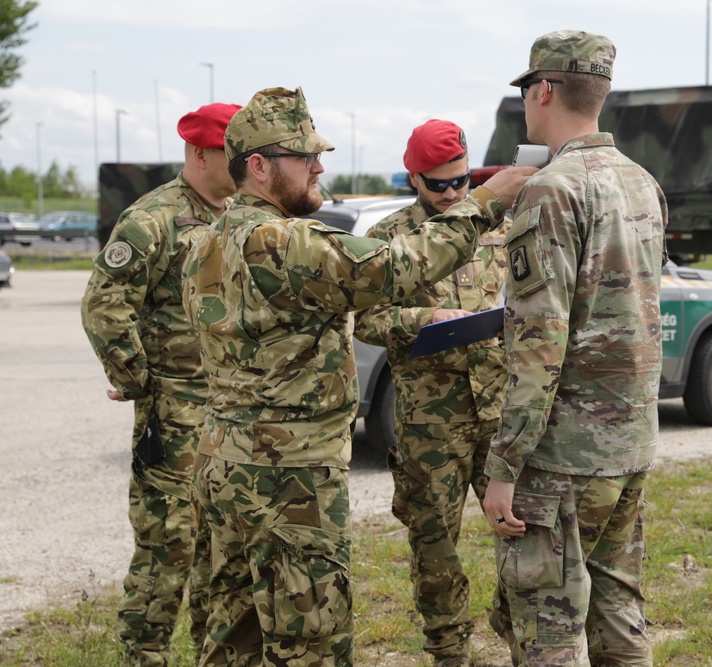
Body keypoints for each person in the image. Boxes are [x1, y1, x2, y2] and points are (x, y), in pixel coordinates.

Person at [182, 86, 534, 667]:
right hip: (287, 477)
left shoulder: (206, 240)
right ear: (261, 166)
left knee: (231, 637)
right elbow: (393, 270)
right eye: (305, 157)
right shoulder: (283, 241)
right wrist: (485, 200)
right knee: (310, 642)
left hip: (225, 465)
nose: (321, 167)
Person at [481, 30, 670, 666]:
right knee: (618, 608)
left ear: (542, 91)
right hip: (630, 442)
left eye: (527, 93)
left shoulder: (552, 189)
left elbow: (540, 345)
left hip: (563, 456)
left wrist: (504, 465)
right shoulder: (641, 182)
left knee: (549, 628)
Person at [80, 101, 242, 666]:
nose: (246, 160)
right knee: (167, 549)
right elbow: (105, 306)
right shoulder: (152, 218)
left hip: (237, 416)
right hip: (175, 416)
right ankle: (142, 656)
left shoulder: (245, 214)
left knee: (224, 557)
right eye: (233, 150)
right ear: (200, 153)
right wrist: (138, 381)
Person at [354, 119, 510, 667]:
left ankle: (515, 627)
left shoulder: (499, 225)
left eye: (461, 182)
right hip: (429, 423)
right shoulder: (389, 238)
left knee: (522, 533)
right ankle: (449, 651)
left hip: (499, 412)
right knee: (435, 547)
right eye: (439, 184)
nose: (452, 194)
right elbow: (362, 318)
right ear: (414, 178)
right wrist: (425, 317)